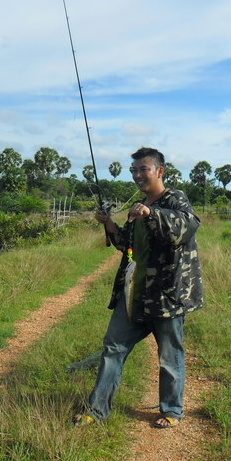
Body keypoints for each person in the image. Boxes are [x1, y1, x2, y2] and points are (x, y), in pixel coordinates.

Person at [74, 147, 203, 429]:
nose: (137, 175)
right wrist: (108, 223)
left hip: (167, 294)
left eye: (143, 169)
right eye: (133, 170)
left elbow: (185, 228)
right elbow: (125, 245)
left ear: (159, 171)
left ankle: (172, 410)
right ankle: (96, 410)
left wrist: (151, 214)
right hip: (135, 292)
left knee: (170, 356)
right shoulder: (137, 206)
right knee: (113, 346)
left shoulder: (175, 199)